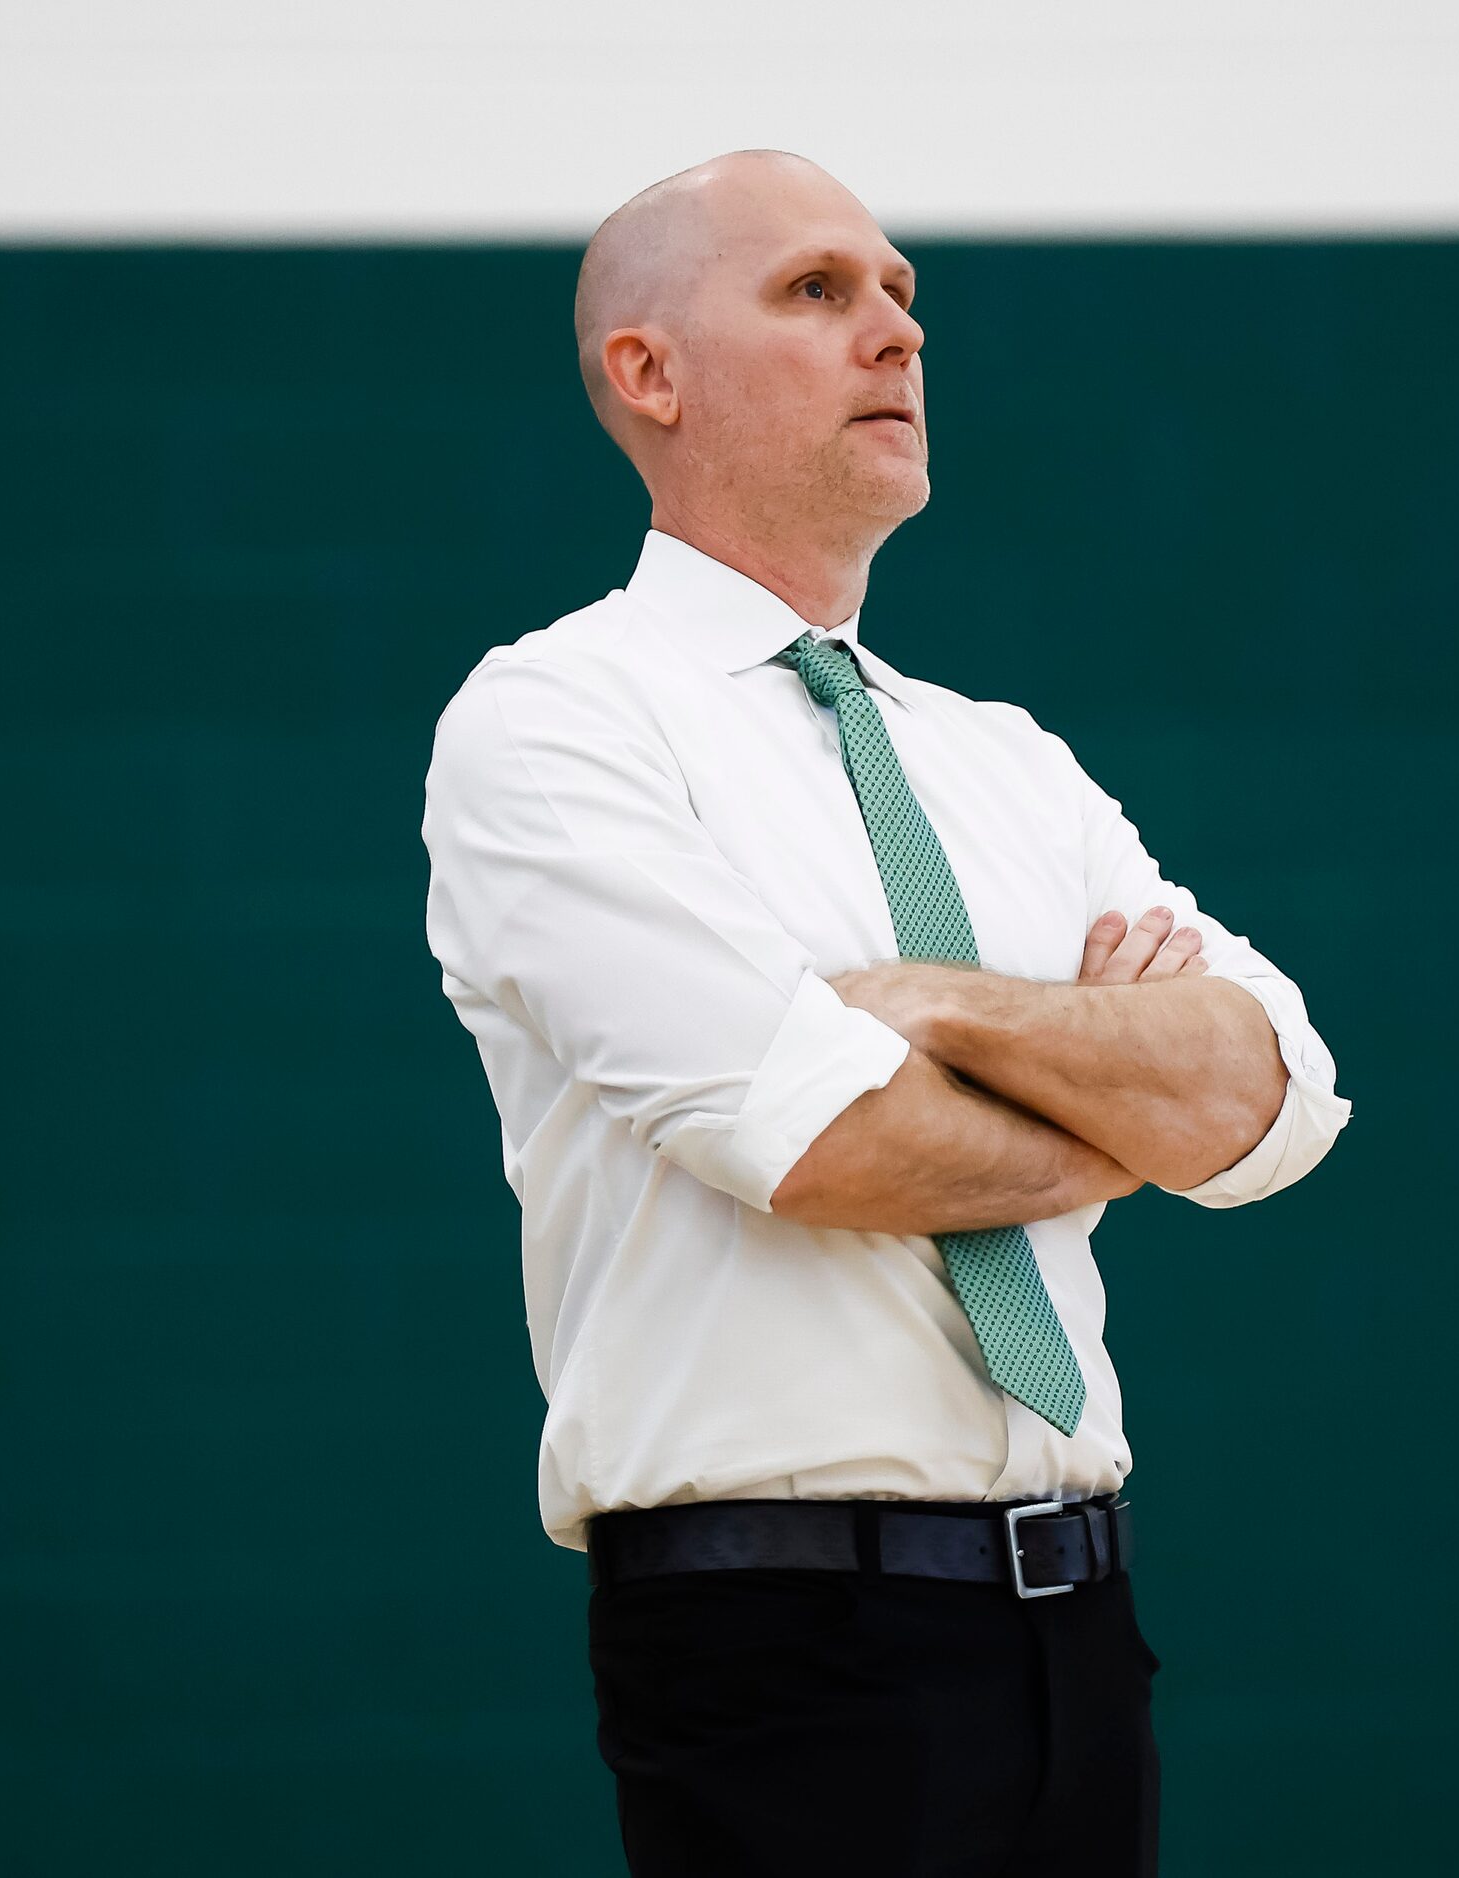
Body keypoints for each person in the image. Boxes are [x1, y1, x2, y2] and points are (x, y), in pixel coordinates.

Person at [420, 150, 1352, 1877]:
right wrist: (1108, 1098)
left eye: (901, 296)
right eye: (816, 291)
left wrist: (925, 1001)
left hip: (1081, 1625)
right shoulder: (553, 723)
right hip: (786, 1648)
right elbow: (836, 1137)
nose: (894, 335)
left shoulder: (1003, 759)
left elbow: (1270, 1099)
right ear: (648, 373)